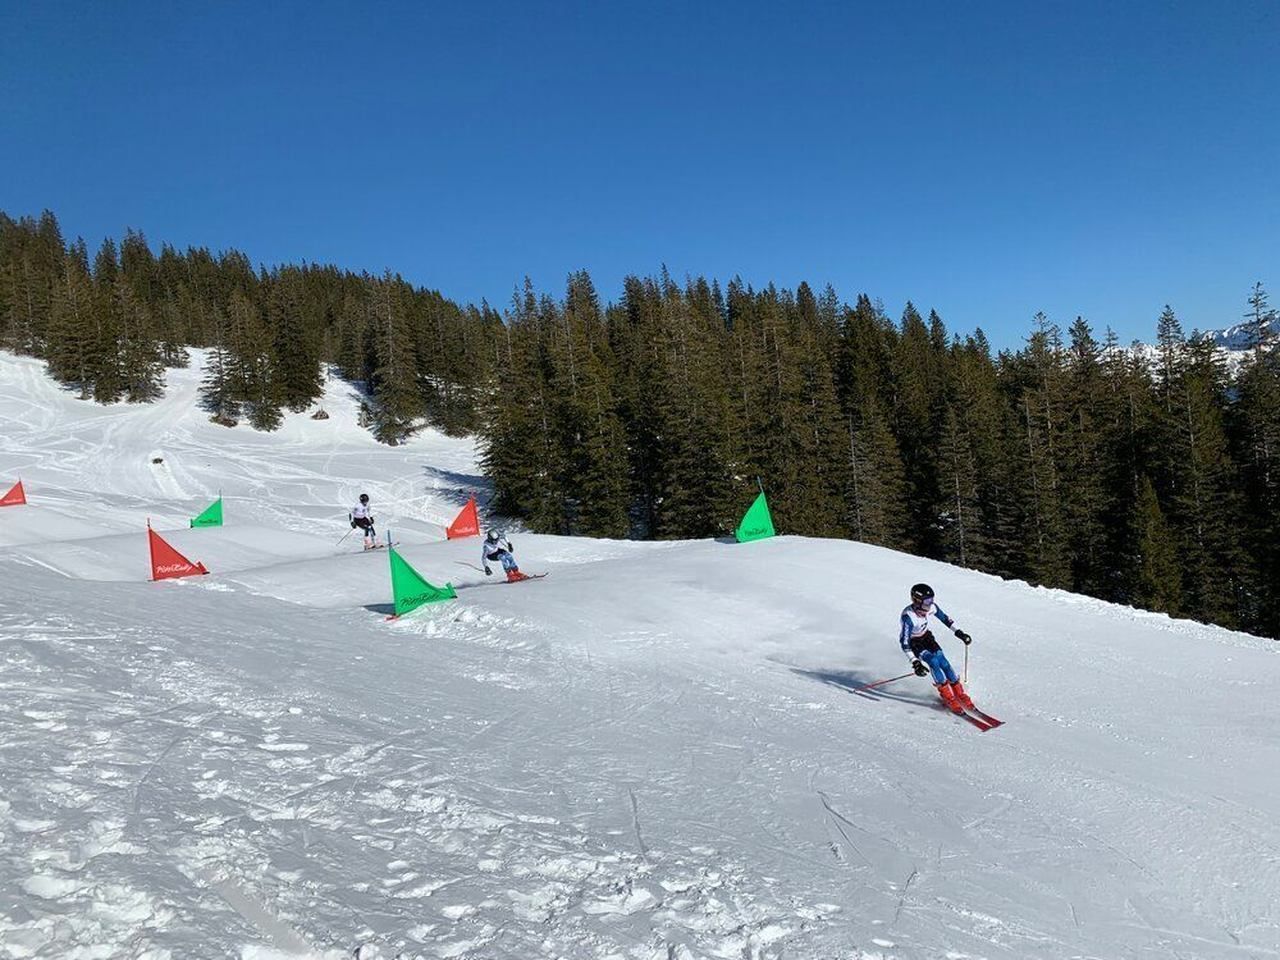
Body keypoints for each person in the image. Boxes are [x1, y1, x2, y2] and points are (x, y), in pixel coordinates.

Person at [899, 582, 974, 713]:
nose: (930, 604)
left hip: (926, 637)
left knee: (943, 661)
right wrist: (916, 663)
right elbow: (904, 643)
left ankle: (959, 693)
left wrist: (959, 633)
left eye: (931, 600)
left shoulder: (931, 607)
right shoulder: (908, 617)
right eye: (927, 601)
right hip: (914, 642)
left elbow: (945, 619)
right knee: (933, 661)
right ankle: (947, 696)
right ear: (917, 601)